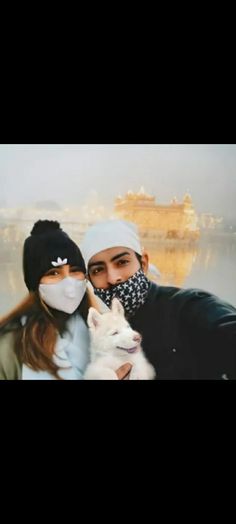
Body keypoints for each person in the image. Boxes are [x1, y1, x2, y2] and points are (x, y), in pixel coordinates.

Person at [80, 219, 236, 380]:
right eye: (98, 270)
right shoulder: (101, 331)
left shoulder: (185, 306)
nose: (113, 278)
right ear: (90, 280)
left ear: (144, 263)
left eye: (122, 262)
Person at [0, 220, 131, 380]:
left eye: (75, 271)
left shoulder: (108, 330)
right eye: (54, 273)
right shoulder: (10, 344)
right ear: (35, 283)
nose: (69, 286)